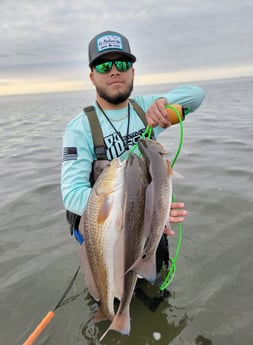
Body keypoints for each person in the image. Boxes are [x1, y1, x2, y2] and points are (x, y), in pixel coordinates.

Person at [61, 30, 205, 273]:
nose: (115, 70)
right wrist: (141, 209)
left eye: (123, 63)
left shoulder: (146, 108)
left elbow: (196, 95)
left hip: (150, 230)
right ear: (92, 76)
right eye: (105, 66)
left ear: (132, 72)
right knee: (110, 300)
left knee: (157, 291)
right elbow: (73, 195)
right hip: (106, 236)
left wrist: (162, 102)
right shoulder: (80, 128)